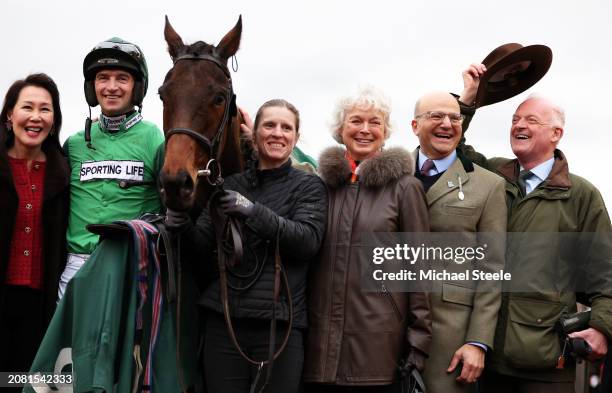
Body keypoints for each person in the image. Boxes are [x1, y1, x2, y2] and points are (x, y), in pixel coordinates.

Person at [458, 63, 612, 393]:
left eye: (531, 120)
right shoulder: (493, 176)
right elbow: (452, 151)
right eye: (514, 119)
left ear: (556, 134)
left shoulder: (582, 195)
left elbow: (605, 274)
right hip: (483, 356)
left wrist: (602, 327)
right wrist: (468, 101)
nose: (518, 125)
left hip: (546, 362)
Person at [167, 99, 328, 393]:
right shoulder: (229, 184)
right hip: (224, 322)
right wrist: (179, 222)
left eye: (286, 127)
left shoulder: (309, 186)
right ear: (253, 134)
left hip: (280, 326)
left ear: (296, 137)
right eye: (269, 125)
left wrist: (254, 212)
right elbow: (200, 249)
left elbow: (306, 241)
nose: (277, 133)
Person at [303, 86, 432, 392]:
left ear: (385, 132)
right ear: (340, 129)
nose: (364, 129)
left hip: (377, 348)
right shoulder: (318, 186)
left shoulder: (404, 188)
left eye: (375, 122)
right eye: (356, 121)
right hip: (316, 347)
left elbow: (420, 269)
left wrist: (419, 343)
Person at [410, 91, 507, 392]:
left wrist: (477, 342)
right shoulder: (390, 173)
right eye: (436, 116)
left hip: (451, 338)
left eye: (455, 117)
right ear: (415, 125)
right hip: (387, 332)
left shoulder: (488, 186)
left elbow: (491, 270)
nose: (447, 124)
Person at [58, 38, 164, 298]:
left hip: (132, 266)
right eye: (103, 78)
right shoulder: (73, 143)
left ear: (137, 87)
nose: (111, 87)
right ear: (91, 87)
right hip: (75, 270)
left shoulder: (155, 139)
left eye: (122, 78)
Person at [0, 73, 70, 374]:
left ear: (54, 120)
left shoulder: (63, 172)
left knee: (22, 382)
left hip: (41, 307)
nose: (36, 117)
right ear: (9, 115)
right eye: (27, 107)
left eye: (45, 109)